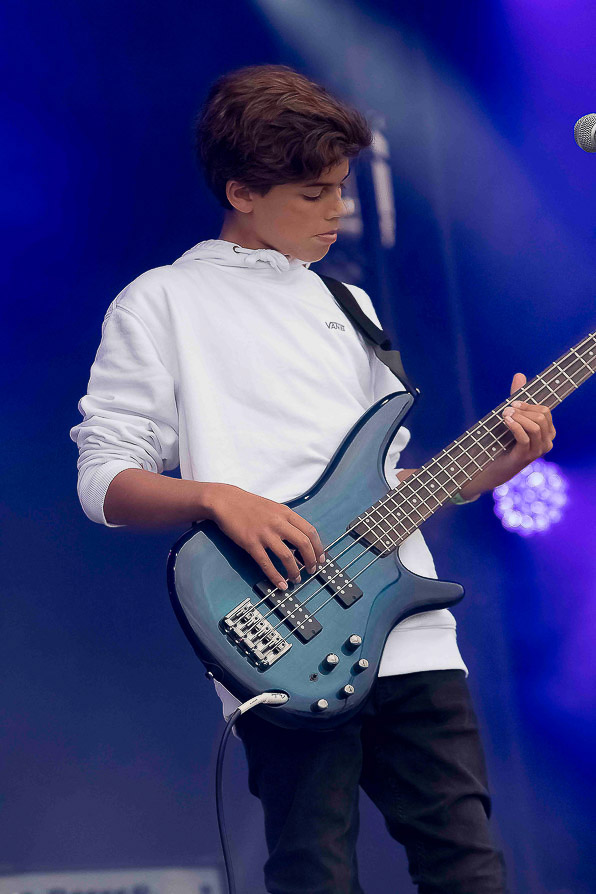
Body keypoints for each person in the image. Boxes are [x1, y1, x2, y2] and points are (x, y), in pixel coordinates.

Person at [70, 64, 555, 894]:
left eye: (341, 188)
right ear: (241, 192)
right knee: (313, 874)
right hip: (282, 639)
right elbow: (102, 481)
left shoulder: (352, 305)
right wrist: (217, 496)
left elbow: (391, 485)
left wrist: (495, 468)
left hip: (410, 629)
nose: (337, 210)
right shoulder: (160, 302)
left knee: (469, 870)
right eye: (313, 193)